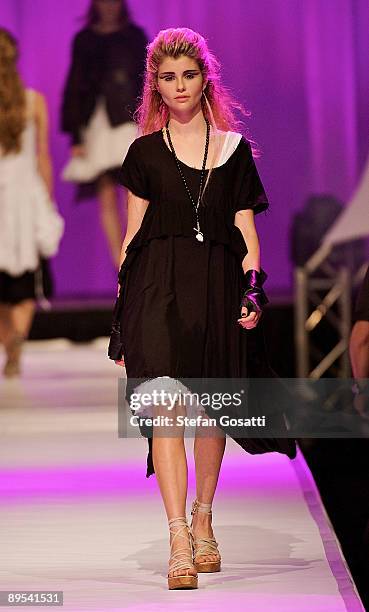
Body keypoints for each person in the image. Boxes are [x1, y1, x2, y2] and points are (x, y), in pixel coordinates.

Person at [108, 27, 296, 590]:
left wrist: (253, 290)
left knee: (211, 410)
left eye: (188, 75)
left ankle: (205, 518)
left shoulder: (235, 151)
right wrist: (121, 319)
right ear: (156, 87)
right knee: (166, 407)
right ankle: (177, 538)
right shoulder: (143, 153)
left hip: (216, 287)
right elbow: (132, 234)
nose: (180, 86)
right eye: (168, 78)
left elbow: (246, 230)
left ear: (204, 78)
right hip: (155, 290)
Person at [60, 0, 148, 268]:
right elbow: (75, 83)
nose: (109, 6)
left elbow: (145, 79)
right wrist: (76, 134)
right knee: (107, 194)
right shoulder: (84, 39)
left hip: (128, 119)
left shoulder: (134, 36)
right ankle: (120, 265)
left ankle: (137, 256)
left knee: (133, 193)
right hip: (97, 122)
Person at [0, 28, 63, 378]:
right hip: (24, 196)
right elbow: (43, 157)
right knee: (25, 278)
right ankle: (18, 340)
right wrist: (47, 200)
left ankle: (9, 342)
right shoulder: (33, 101)